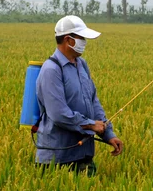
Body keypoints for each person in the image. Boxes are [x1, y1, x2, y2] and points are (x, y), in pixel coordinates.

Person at [35, 15, 123, 175]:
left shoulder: (82, 65)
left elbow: (93, 102)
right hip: (57, 158)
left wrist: (108, 134)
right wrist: (90, 125)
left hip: (83, 153)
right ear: (69, 40)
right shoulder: (51, 70)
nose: (85, 42)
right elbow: (58, 113)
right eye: (81, 38)